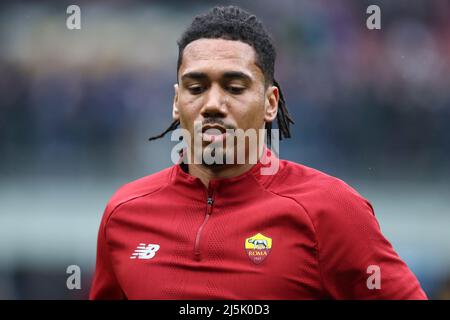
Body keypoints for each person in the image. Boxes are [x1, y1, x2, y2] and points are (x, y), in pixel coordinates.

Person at [89, 5, 427, 299]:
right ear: (177, 102)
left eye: (235, 88)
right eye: (196, 88)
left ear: (270, 103)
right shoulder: (124, 214)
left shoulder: (330, 210)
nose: (213, 104)